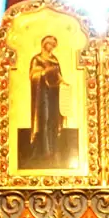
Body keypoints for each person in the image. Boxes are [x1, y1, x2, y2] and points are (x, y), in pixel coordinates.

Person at [29, 35, 67, 164]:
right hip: (42, 93)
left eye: (53, 45)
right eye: (49, 44)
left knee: (53, 119)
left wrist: (64, 82)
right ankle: (45, 151)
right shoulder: (37, 59)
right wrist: (43, 73)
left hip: (54, 93)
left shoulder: (54, 59)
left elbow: (58, 75)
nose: (51, 47)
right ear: (44, 45)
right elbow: (33, 75)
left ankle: (54, 148)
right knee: (43, 120)